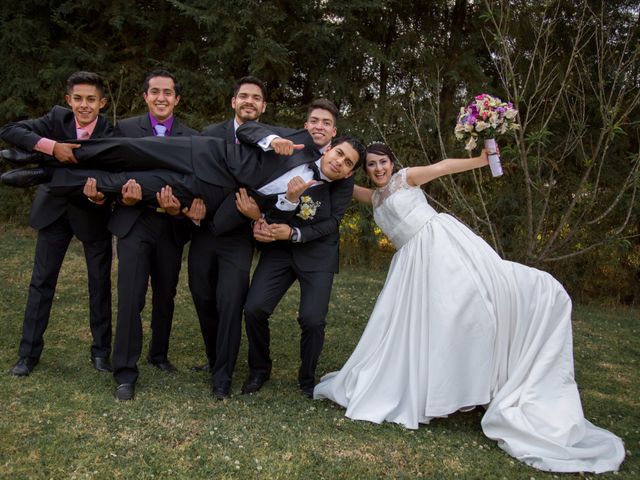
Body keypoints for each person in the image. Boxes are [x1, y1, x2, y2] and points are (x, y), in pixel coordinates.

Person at [313, 143, 625, 473]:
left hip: (440, 248)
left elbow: (444, 166)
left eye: (383, 162)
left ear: (393, 163)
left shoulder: (406, 178)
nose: (378, 169)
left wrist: (480, 160)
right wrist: (319, 159)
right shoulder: (374, 197)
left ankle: (481, 379)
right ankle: (434, 388)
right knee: (421, 327)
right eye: (372, 165)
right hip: (410, 265)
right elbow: (339, 182)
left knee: (465, 310)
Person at [0, 71, 114, 377]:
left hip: (91, 212)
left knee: (99, 285)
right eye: (78, 99)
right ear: (68, 100)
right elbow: (10, 129)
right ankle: (28, 355)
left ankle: (102, 353)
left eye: (91, 99)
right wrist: (52, 148)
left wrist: (101, 196)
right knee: (41, 282)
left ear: (102, 103)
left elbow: (112, 177)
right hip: (53, 211)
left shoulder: (111, 133)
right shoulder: (55, 119)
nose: (84, 105)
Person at [236, 125, 361, 399]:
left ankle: (307, 378)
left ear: (350, 172)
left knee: (312, 319)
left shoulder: (343, 185)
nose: (339, 162)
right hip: (279, 251)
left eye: (347, 162)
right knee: (254, 308)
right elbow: (271, 213)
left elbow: (333, 223)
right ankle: (259, 369)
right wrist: (289, 201)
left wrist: (296, 233)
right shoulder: (295, 159)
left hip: (318, 255)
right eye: (339, 153)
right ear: (329, 149)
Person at [105, 69, 199, 400]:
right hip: (134, 221)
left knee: (166, 292)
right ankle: (125, 373)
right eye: (155, 92)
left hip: (171, 224)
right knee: (131, 296)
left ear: (177, 98)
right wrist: (122, 196)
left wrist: (180, 208)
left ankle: (159, 354)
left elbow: (194, 181)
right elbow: (112, 172)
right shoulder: (127, 129)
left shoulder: (192, 137)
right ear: (145, 96)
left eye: (168, 92)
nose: (161, 98)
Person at [189, 76, 268, 400]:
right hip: (205, 230)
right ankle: (214, 358)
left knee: (231, 301)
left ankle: (222, 376)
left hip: (238, 237)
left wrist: (257, 213)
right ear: (233, 102)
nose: (249, 101)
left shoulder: (270, 142)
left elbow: (273, 188)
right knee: (203, 296)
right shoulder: (209, 135)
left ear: (263, 107)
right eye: (244, 96)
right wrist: (191, 203)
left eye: (256, 98)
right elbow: (192, 173)